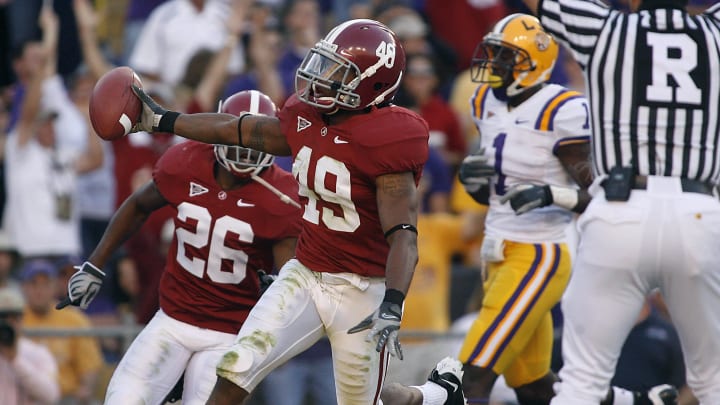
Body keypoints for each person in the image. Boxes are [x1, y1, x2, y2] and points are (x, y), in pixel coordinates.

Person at [125, 17, 469, 405]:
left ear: (371, 83)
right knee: (236, 368)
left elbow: (404, 234)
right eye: (325, 63)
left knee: (369, 401)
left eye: (338, 71)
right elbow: (237, 129)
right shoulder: (305, 117)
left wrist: (392, 303)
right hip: (305, 273)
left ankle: (432, 396)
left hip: (362, 289)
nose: (321, 77)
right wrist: (163, 120)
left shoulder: (388, 140)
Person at [456, 13, 678, 405]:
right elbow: (495, 192)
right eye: (493, 53)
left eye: (506, 57)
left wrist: (550, 195)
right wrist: (473, 181)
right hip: (496, 250)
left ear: (534, 63)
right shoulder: (483, 100)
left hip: (540, 253)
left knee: (471, 376)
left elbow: (608, 194)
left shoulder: (562, 110)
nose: (493, 64)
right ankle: (639, 402)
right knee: (534, 387)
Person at [518, 0, 720, 403]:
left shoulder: (604, 27)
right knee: (714, 382)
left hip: (619, 211)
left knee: (581, 381)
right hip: (700, 212)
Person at [60, 90, 303, 404]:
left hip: (229, 332)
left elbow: (290, 276)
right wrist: (95, 263)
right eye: (239, 136)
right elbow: (137, 205)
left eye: (255, 139)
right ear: (219, 128)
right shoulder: (186, 161)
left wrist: (278, 292)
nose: (244, 148)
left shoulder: (283, 197)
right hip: (173, 319)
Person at [20, 259, 104, 404]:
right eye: (33, 283)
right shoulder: (14, 318)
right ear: (23, 287)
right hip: (24, 397)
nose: (39, 290)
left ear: (55, 286)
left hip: (66, 398)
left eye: (45, 284)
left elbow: (89, 366)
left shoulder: (74, 320)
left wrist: (86, 389)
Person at [0, 285, 60, 405]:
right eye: (2, 318)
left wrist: (15, 360)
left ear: (21, 320)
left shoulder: (37, 352)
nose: (8, 324)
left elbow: (51, 395)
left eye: (14, 318)